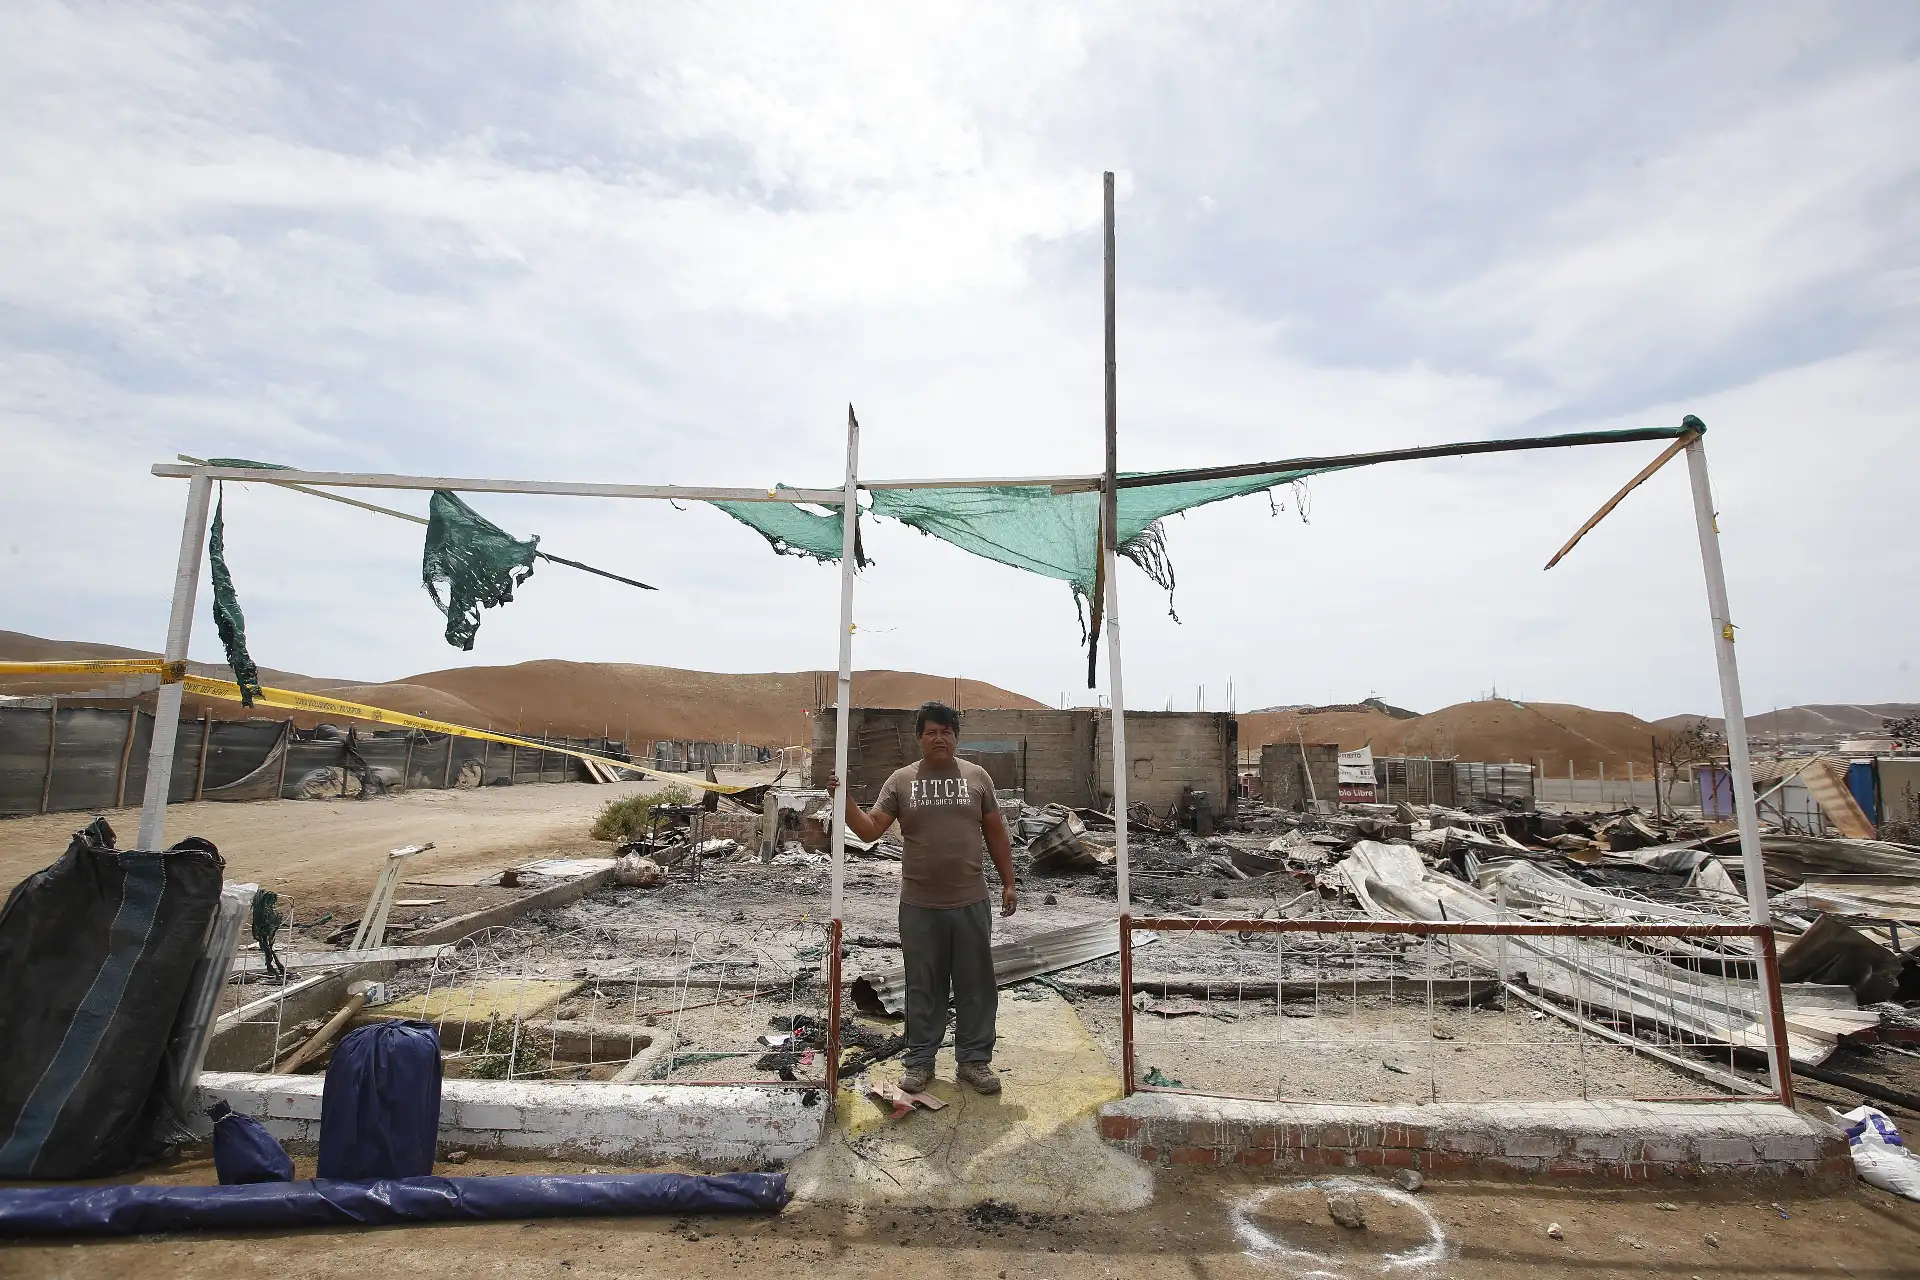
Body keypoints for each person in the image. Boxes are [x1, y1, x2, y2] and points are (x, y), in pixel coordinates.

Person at [829, 700, 1016, 1095]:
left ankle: (974, 1061)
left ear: (956, 737)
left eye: (946, 731)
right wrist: (842, 799)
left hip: (970, 902)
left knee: (976, 985)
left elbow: (996, 834)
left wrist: (1009, 881)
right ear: (919, 738)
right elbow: (868, 830)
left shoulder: (977, 778)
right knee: (923, 985)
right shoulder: (900, 781)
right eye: (930, 732)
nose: (939, 738)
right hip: (919, 906)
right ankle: (920, 1061)